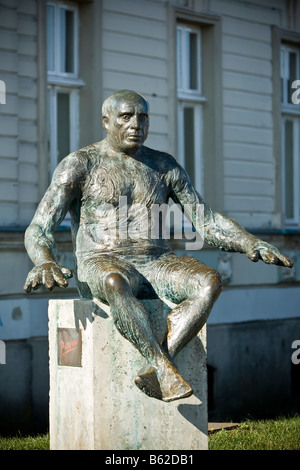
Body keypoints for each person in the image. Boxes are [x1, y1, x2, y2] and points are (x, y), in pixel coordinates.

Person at [24, 90, 293, 402]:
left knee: (209, 282)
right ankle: (162, 367)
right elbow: (41, 226)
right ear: (106, 121)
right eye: (126, 117)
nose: (136, 124)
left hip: (157, 263)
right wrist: (44, 260)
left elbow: (205, 220)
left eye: (143, 117)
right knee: (115, 281)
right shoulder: (80, 164)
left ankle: (160, 363)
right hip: (102, 260)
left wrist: (250, 242)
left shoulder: (164, 166)